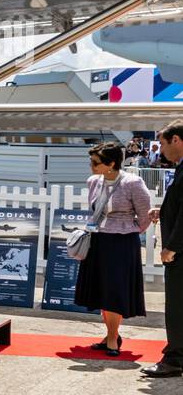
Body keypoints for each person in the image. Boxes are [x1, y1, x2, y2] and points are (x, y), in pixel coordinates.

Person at [75, 142, 152, 356]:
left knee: (115, 291)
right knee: (102, 289)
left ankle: (111, 338)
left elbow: (145, 215)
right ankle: (112, 335)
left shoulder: (132, 183)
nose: (91, 166)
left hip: (122, 242)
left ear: (111, 164)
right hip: (98, 240)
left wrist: (131, 229)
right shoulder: (93, 181)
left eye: (95, 162)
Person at [143, 120, 183, 376]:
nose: (161, 150)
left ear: (177, 140)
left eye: (163, 144)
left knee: (178, 306)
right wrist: (164, 210)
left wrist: (172, 246)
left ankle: (175, 359)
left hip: (181, 252)